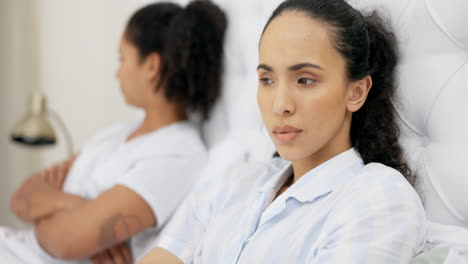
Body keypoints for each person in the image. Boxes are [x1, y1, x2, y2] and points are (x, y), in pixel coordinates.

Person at [138, 0, 427, 263]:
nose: (280, 105)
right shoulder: (231, 183)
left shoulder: (378, 198)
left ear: (356, 92)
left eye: (304, 80)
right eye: (267, 79)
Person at [2, 1, 227, 263]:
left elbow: (65, 241)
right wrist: (76, 205)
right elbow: (20, 197)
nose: (117, 73)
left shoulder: (178, 156)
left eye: (122, 58)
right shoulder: (117, 133)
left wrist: (46, 207)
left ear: (152, 66)